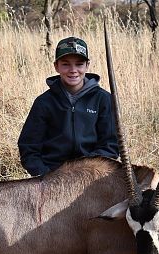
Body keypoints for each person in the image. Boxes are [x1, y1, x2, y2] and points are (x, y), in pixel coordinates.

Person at [18, 36, 119, 176]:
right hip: (51, 175)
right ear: (56, 66)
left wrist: (87, 171)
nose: (73, 70)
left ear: (87, 65)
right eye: (66, 64)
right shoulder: (43, 102)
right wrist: (45, 175)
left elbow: (110, 146)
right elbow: (29, 148)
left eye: (79, 64)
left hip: (90, 175)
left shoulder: (104, 99)